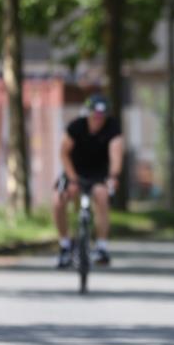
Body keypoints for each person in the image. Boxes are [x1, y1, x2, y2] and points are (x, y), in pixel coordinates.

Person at [53, 93, 124, 268]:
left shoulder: (113, 128)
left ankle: (101, 247)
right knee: (58, 200)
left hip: (98, 175)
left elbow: (116, 153)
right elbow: (64, 153)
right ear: (88, 113)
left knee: (102, 196)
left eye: (102, 116)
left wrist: (114, 176)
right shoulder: (76, 126)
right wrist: (72, 178)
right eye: (95, 115)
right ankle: (64, 245)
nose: (98, 119)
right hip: (74, 172)